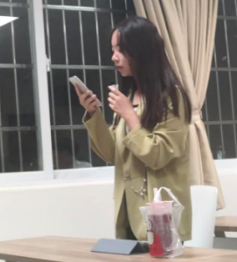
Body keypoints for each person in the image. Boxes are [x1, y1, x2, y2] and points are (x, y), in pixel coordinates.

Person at [76, 16, 193, 242]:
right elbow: (112, 153)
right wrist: (93, 114)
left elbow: (158, 155)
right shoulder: (128, 97)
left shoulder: (172, 97)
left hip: (160, 215)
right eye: (113, 50)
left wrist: (129, 115)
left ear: (142, 50)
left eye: (120, 50)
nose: (114, 57)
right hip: (129, 213)